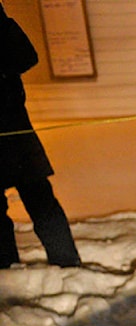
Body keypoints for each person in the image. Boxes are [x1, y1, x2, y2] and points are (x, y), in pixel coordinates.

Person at [0, 3, 81, 270]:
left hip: (15, 130)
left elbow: (26, 57)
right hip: (16, 130)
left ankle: (66, 265)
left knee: (41, 201)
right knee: (40, 200)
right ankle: (10, 271)